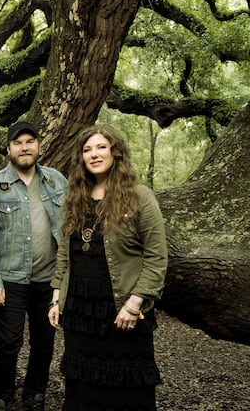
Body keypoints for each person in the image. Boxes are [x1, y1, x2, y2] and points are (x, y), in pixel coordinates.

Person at [48, 124, 167, 410]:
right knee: (82, 389)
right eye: (87, 149)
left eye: (101, 147)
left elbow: (157, 257)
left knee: (126, 390)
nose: (94, 154)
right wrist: (56, 298)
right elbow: (65, 254)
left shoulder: (140, 196)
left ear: (115, 152)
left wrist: (135, 304)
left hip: (121, 307)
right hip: (80, 311)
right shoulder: (74, 198)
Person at [0, 120, 68, 411]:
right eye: (18, 143)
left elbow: (69, 229)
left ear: (39, 146)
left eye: (30, 142)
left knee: (44, 342)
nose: (24, 147)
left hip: (49, 280)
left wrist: (66, 279)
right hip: (10, 279)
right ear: (9, 149)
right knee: (8, 343)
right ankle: (2, 395)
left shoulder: (57, 181)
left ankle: (34, 394)